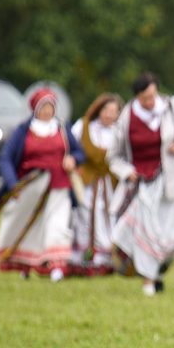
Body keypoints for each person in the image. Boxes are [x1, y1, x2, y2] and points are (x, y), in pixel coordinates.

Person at [107, 72, 174, 296]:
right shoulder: (127, 116)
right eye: (144, 98)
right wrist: (127, 172)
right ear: (137, 96)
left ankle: (156, 272)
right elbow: (113, 156)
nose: (149, 101)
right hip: (141, 185)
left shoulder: (171, 106)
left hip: (170, 182)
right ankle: (147, 282)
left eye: (152, 95)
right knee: (146, 233)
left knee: (171, 241)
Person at [0, 88, 85, 281]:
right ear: (35, 108)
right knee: (30, 227)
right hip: (30, 188)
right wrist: (12, 184)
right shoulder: (23, 131)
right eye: (44, 107)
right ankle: (25, 265)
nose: (48, 111)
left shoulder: (61, 128)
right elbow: (6, 158)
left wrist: (73, 160)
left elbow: (79, 153)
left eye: (51, 107)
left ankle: (57, 267)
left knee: (57, 226)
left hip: (59, 187)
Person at [70, 92, 124, 276]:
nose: (109, 115)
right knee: (83, 216)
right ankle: (80, 260)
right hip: (87, 181)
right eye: (106, 110)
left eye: (113, 111)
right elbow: (71, 148)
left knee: (107, 216)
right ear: (98, 110)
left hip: (109, 183)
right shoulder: (83, 127)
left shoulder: (120, 131)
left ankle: (103, 260)